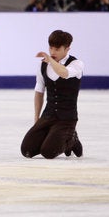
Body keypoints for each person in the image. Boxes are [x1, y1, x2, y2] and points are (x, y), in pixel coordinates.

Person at [21, 30, 84, 159]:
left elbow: (64, 73)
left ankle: (72, 139)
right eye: (51, 48)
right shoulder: (42, 65)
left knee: (48, 152)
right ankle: (53, 135)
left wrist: (50, 59)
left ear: (67, 49)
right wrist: (36, 117)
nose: (53, 52)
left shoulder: (76, 64)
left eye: (57, 49)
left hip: (66, 118)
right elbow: (39, 91)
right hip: (48, 116)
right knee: (27, 150)